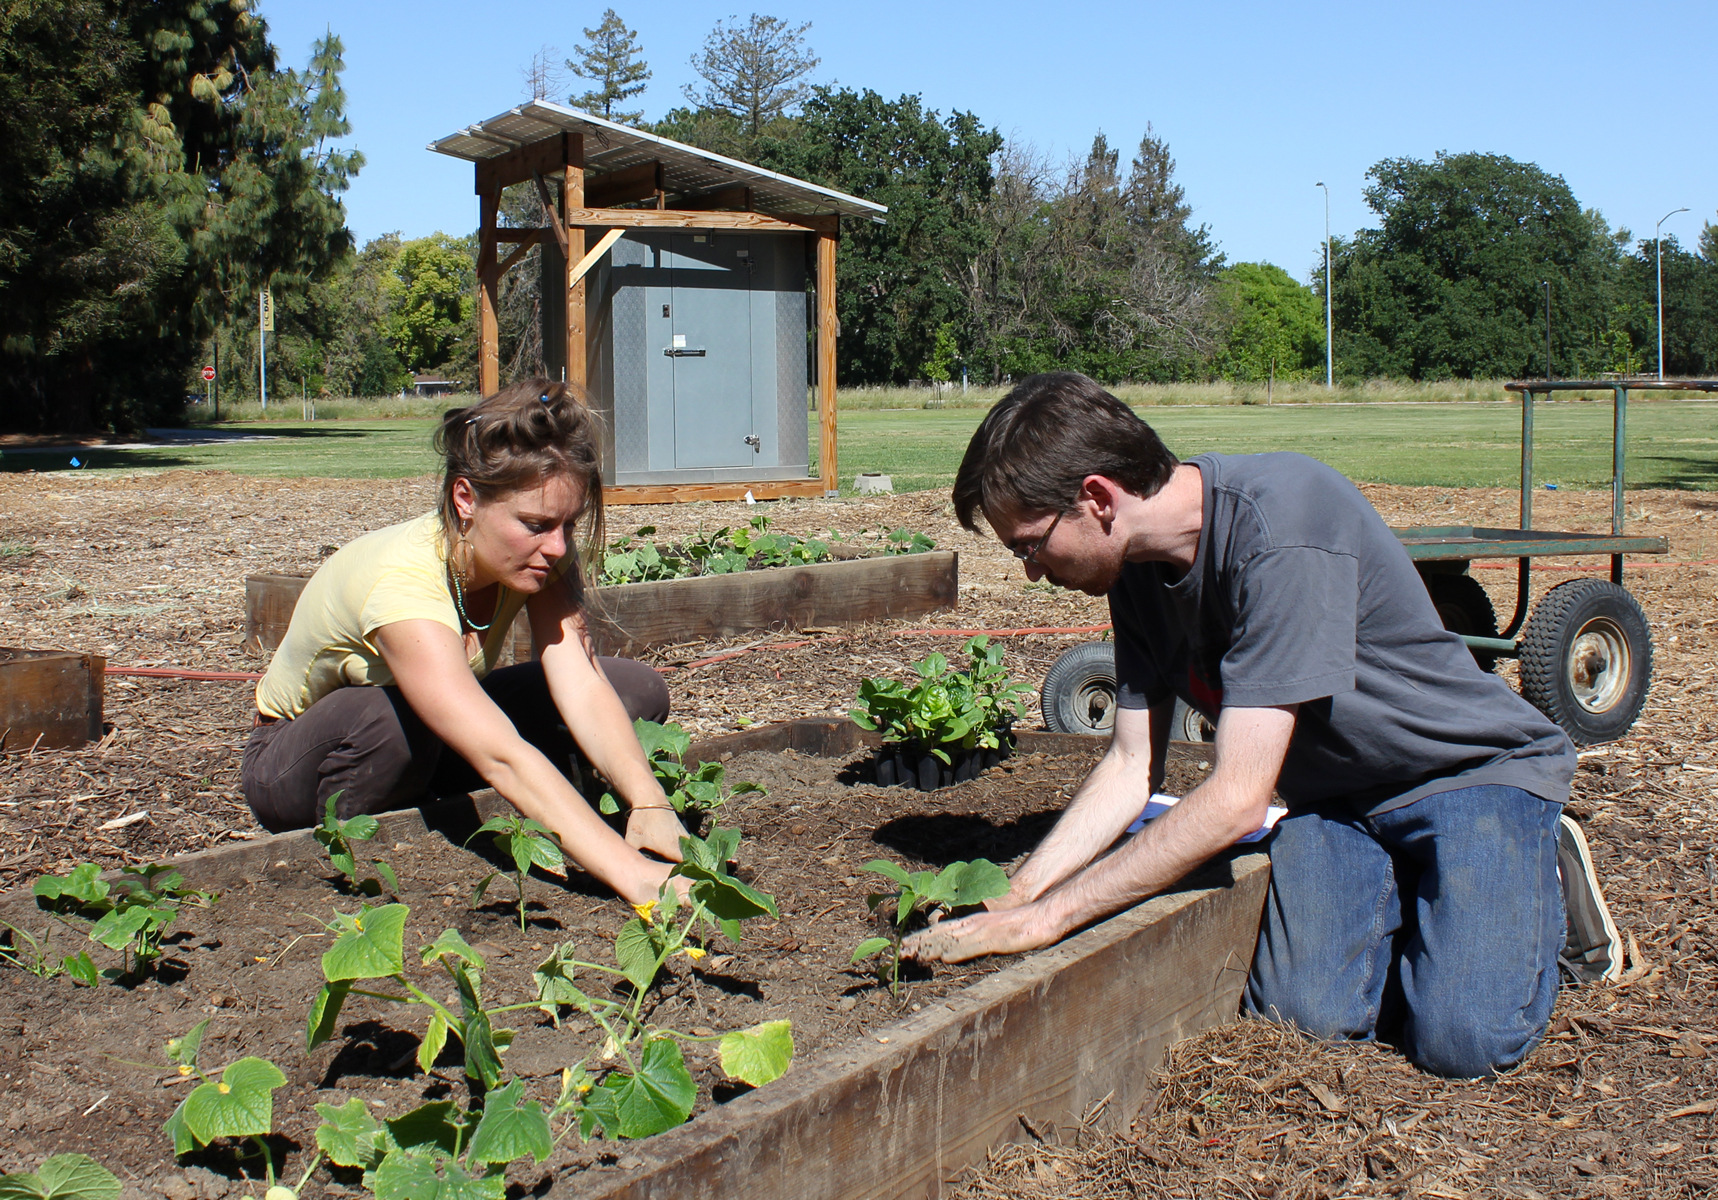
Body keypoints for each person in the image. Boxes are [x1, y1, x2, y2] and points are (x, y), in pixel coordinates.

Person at [906, 371, 1617, 1079]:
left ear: (1097, 498)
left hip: (1464, 773)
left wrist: (1050, 920)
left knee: (1463, 1043)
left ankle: (1544, 863)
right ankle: (1432, 891)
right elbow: (1129, 766)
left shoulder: (1281, 528)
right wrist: (1022, 892)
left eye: (1029, 544)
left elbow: (1239, 798)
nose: (1030, 571)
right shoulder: (1136, 574)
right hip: (1336, 803)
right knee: (1306, 1022)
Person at [242, 378, 687, 905]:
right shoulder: (404, 580)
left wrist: (649, 802)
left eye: (570, 524)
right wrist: (633, 875)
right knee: (386, 720)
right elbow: (500, 755)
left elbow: (584, 685)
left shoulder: (540, 558)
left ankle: (456, 800)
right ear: (465, 498)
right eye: (536, 524)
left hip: (432, 739)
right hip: (298, 762)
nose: (557, 546)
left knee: (634, 688)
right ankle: (351, 847)